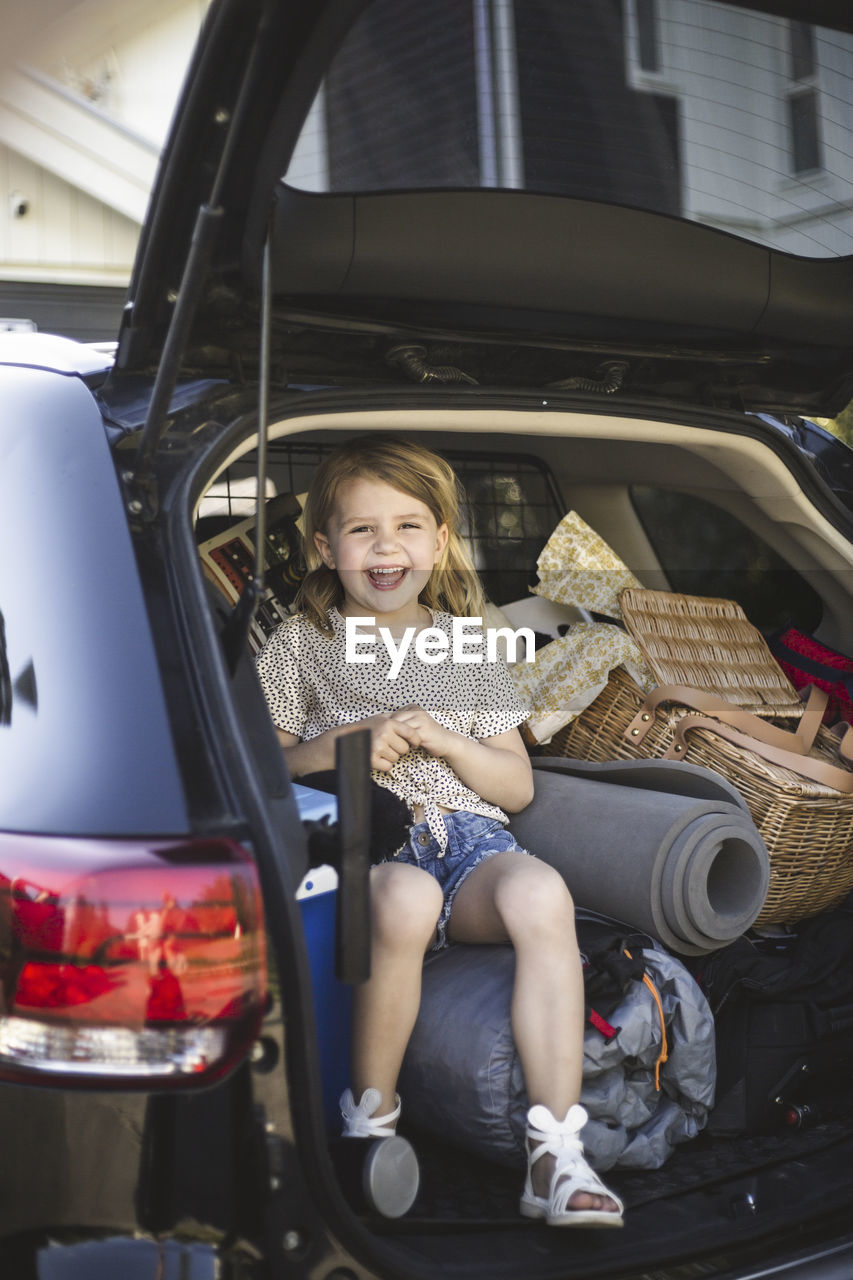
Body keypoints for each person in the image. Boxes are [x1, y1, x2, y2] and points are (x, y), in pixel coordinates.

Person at [256, 435, 623, 1228]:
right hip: (375, 846)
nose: (386, 546)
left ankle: (555, 1153)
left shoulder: (468, 644)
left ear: (441, 540)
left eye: (409, 526)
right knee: (409, 898)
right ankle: (370, 1124)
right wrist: (348, 741)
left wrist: (450, 740)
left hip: (473, 848)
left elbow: (516, 784)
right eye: (361, 530)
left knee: (539, 892)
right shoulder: (299, 645)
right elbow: (268, 763)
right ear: (325, 547)